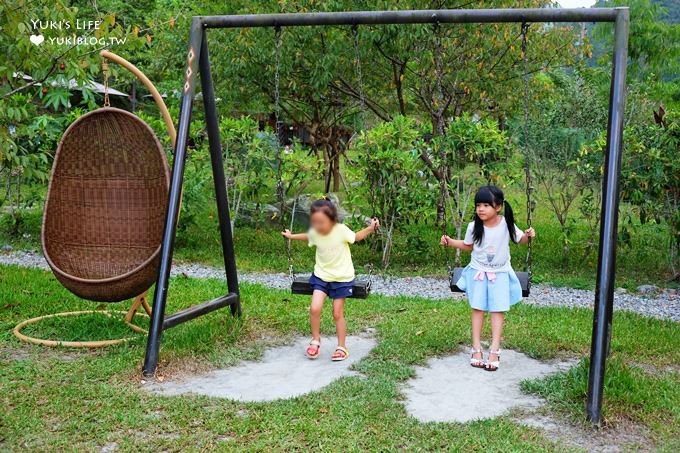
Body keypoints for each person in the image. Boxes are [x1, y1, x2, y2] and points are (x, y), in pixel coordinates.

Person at [440, 186, 535, 371]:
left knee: (497, 311)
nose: (481, 209)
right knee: (477, 309)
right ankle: (476, 348)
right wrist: (450, 242)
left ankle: (494, 349)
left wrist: (529, 236)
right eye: (478, 205)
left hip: (500, 274)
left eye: (486, 205)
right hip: (477, 272)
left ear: (498, 207)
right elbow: (467, 246)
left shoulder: (506, 224)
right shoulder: (473, 226)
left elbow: (520, 240)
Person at [282, 199, 379, 361]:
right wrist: (291, 236)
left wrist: (370, 228)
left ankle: (342, 346)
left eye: (321, 222)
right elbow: (307, 236)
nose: (317, 226)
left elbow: (356, 237)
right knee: (314, 308)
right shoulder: (316, 232)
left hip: (342, 278)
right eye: (315, 222)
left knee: (337, 313)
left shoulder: (341, 230)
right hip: (321, 276)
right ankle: (315, 340)